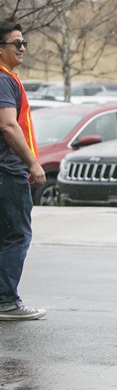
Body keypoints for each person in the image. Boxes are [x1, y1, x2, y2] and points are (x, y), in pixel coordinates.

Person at [0, 21, 47, 321]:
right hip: (8, 171)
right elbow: (7, 124)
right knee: (17, 235)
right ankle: (6, 300)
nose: (22, 48)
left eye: (24, 42)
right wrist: (32, 162)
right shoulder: (4, 80)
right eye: (15, 43)